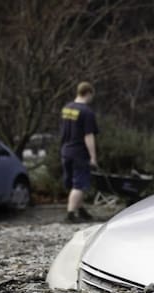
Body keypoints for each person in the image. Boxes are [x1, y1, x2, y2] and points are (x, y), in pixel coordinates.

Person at [60, 81, 99, 223]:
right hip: (79, 152)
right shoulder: (87, 112)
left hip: (66, 150)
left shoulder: (67, 108)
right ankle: (70, 214)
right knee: (80, 184)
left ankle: (80, 209)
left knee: (73, 183)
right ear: (88, 93)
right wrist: (93, 157)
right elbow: (88, 136)